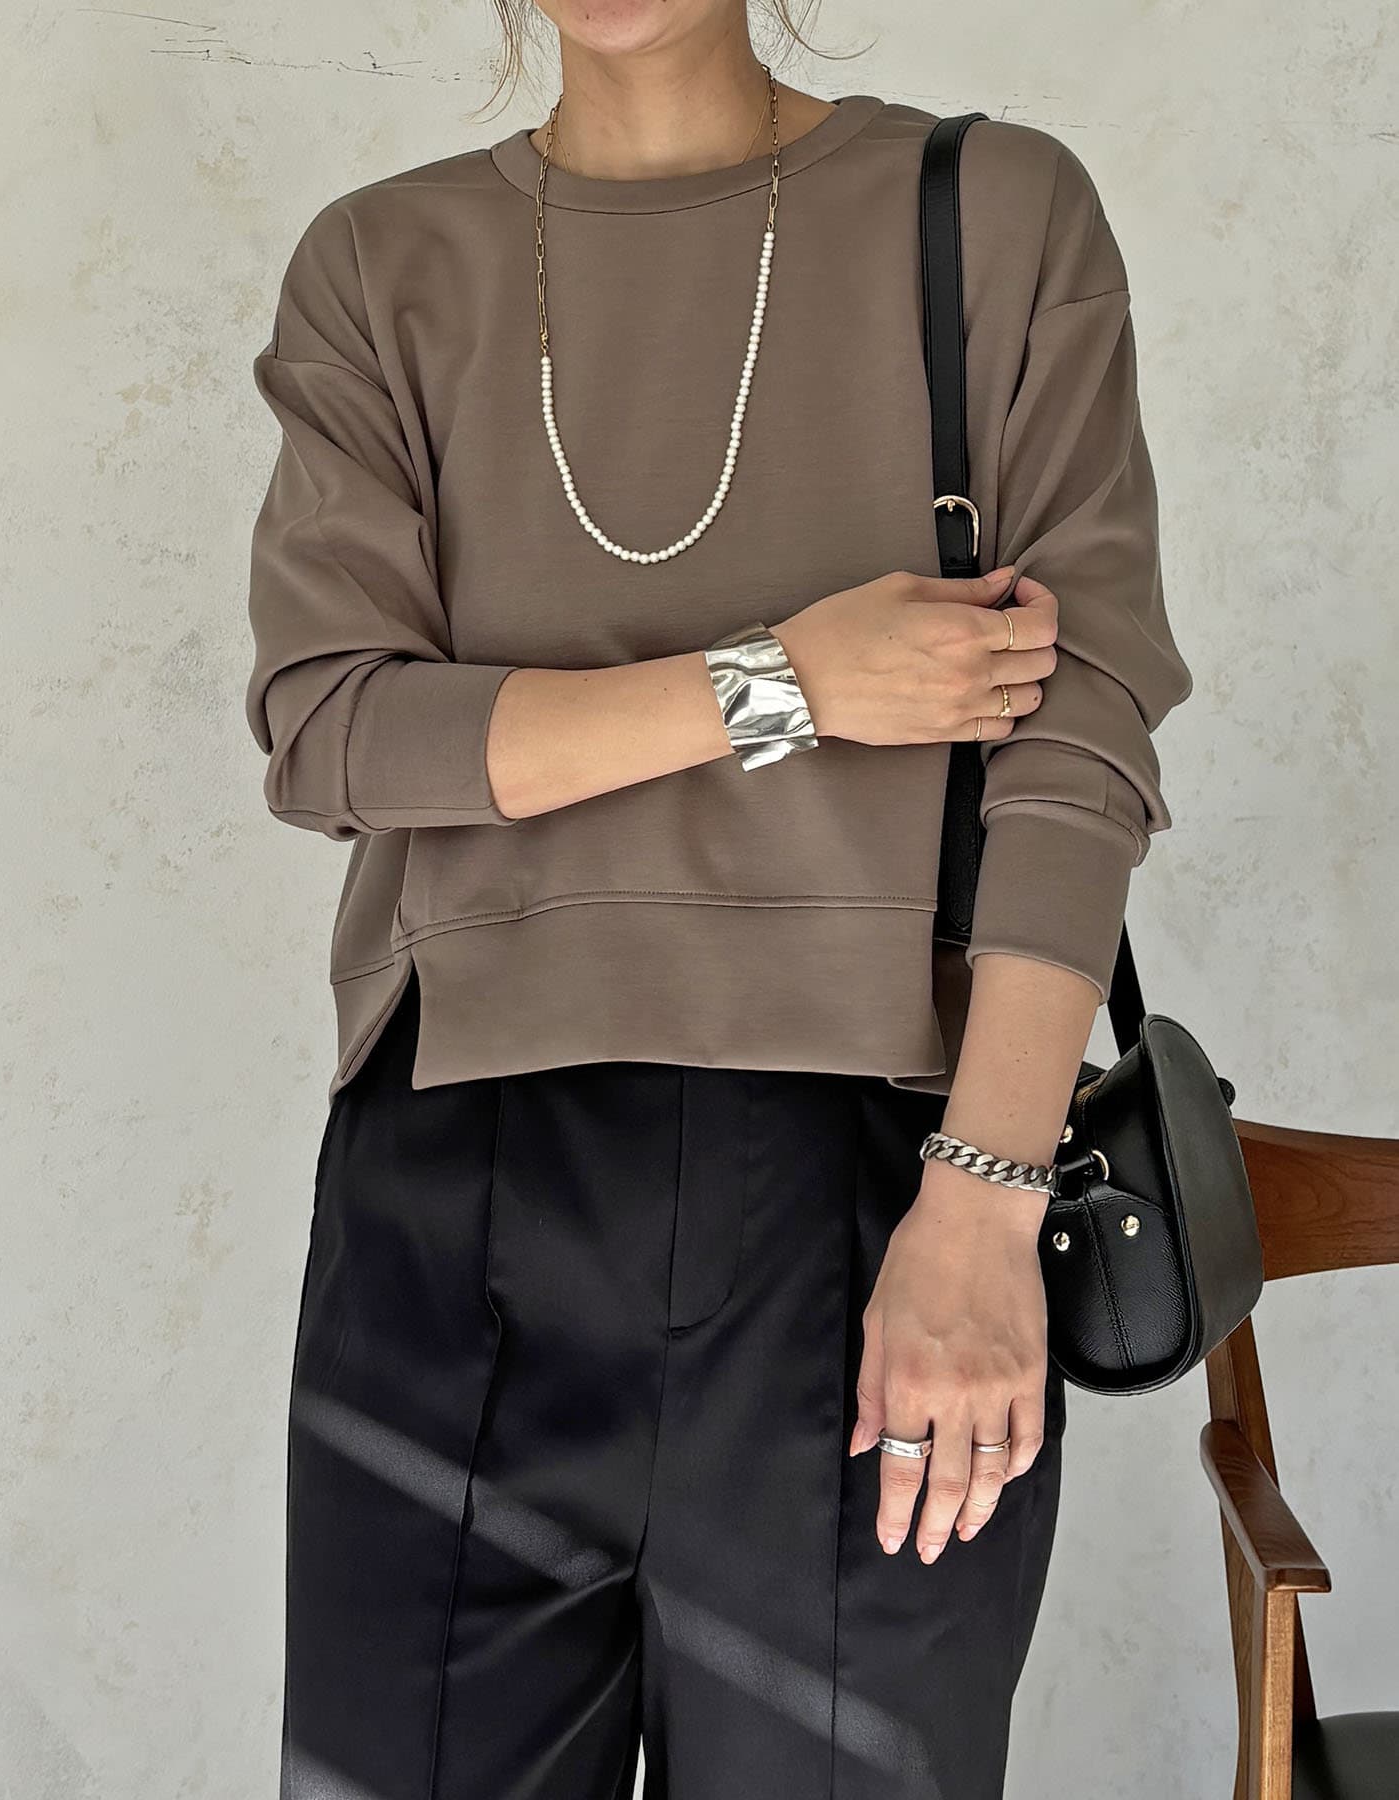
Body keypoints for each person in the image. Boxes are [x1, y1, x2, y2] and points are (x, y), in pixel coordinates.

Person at [244, 7, 1193, 1797]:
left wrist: (986, 1197)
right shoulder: (383, 265)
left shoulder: (992, 214)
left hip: (883, 1190)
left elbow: (1079, 744)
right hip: (457, 1182)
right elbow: (336, 733)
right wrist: (784, 686)